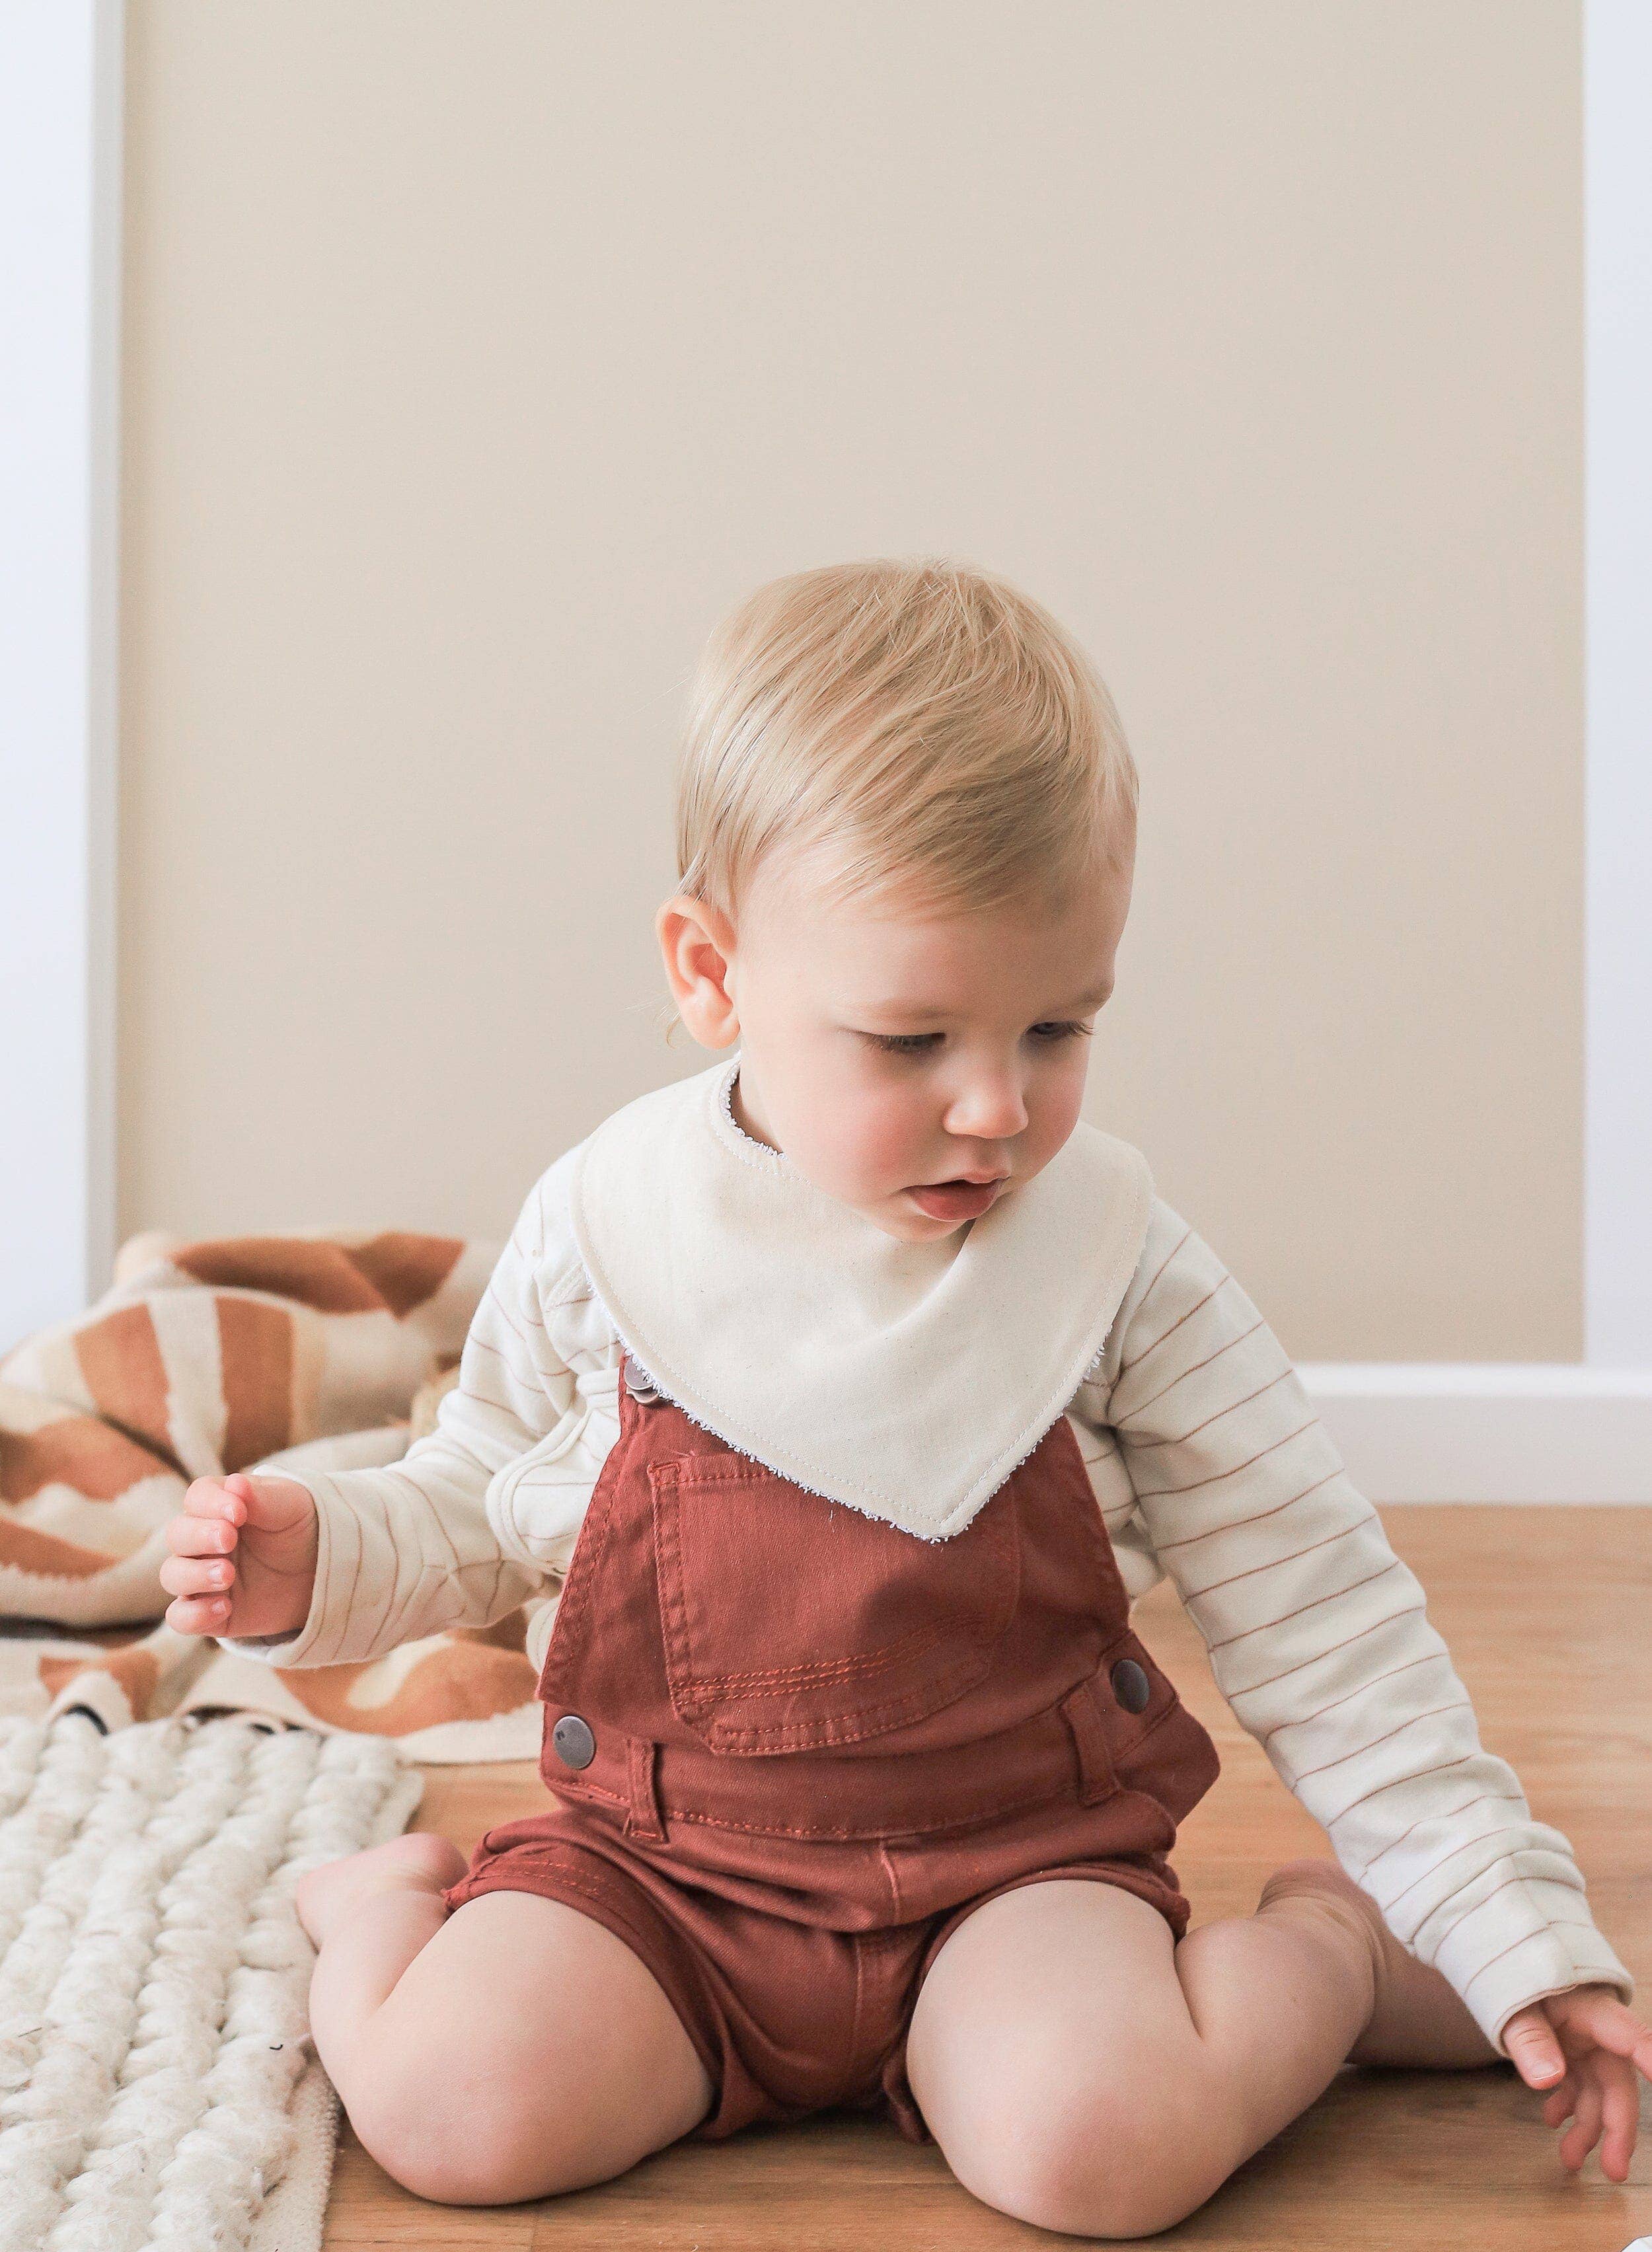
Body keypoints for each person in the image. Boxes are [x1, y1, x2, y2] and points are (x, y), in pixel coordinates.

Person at [160, 560, 1648, 2234]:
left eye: (1058, 1026)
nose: (996, 1109)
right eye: (910, 1039)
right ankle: (374, 1909)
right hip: (665, 1883)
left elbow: (1328, 1623)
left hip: (1009, 1880)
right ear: (711, 974)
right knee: (451, 2112)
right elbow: (476, 1500)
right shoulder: (613, 1228)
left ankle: (1327, 1957)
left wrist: (1494, 1924)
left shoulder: (1117, 1271)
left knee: (1104, 2154)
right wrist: (321, 1559)